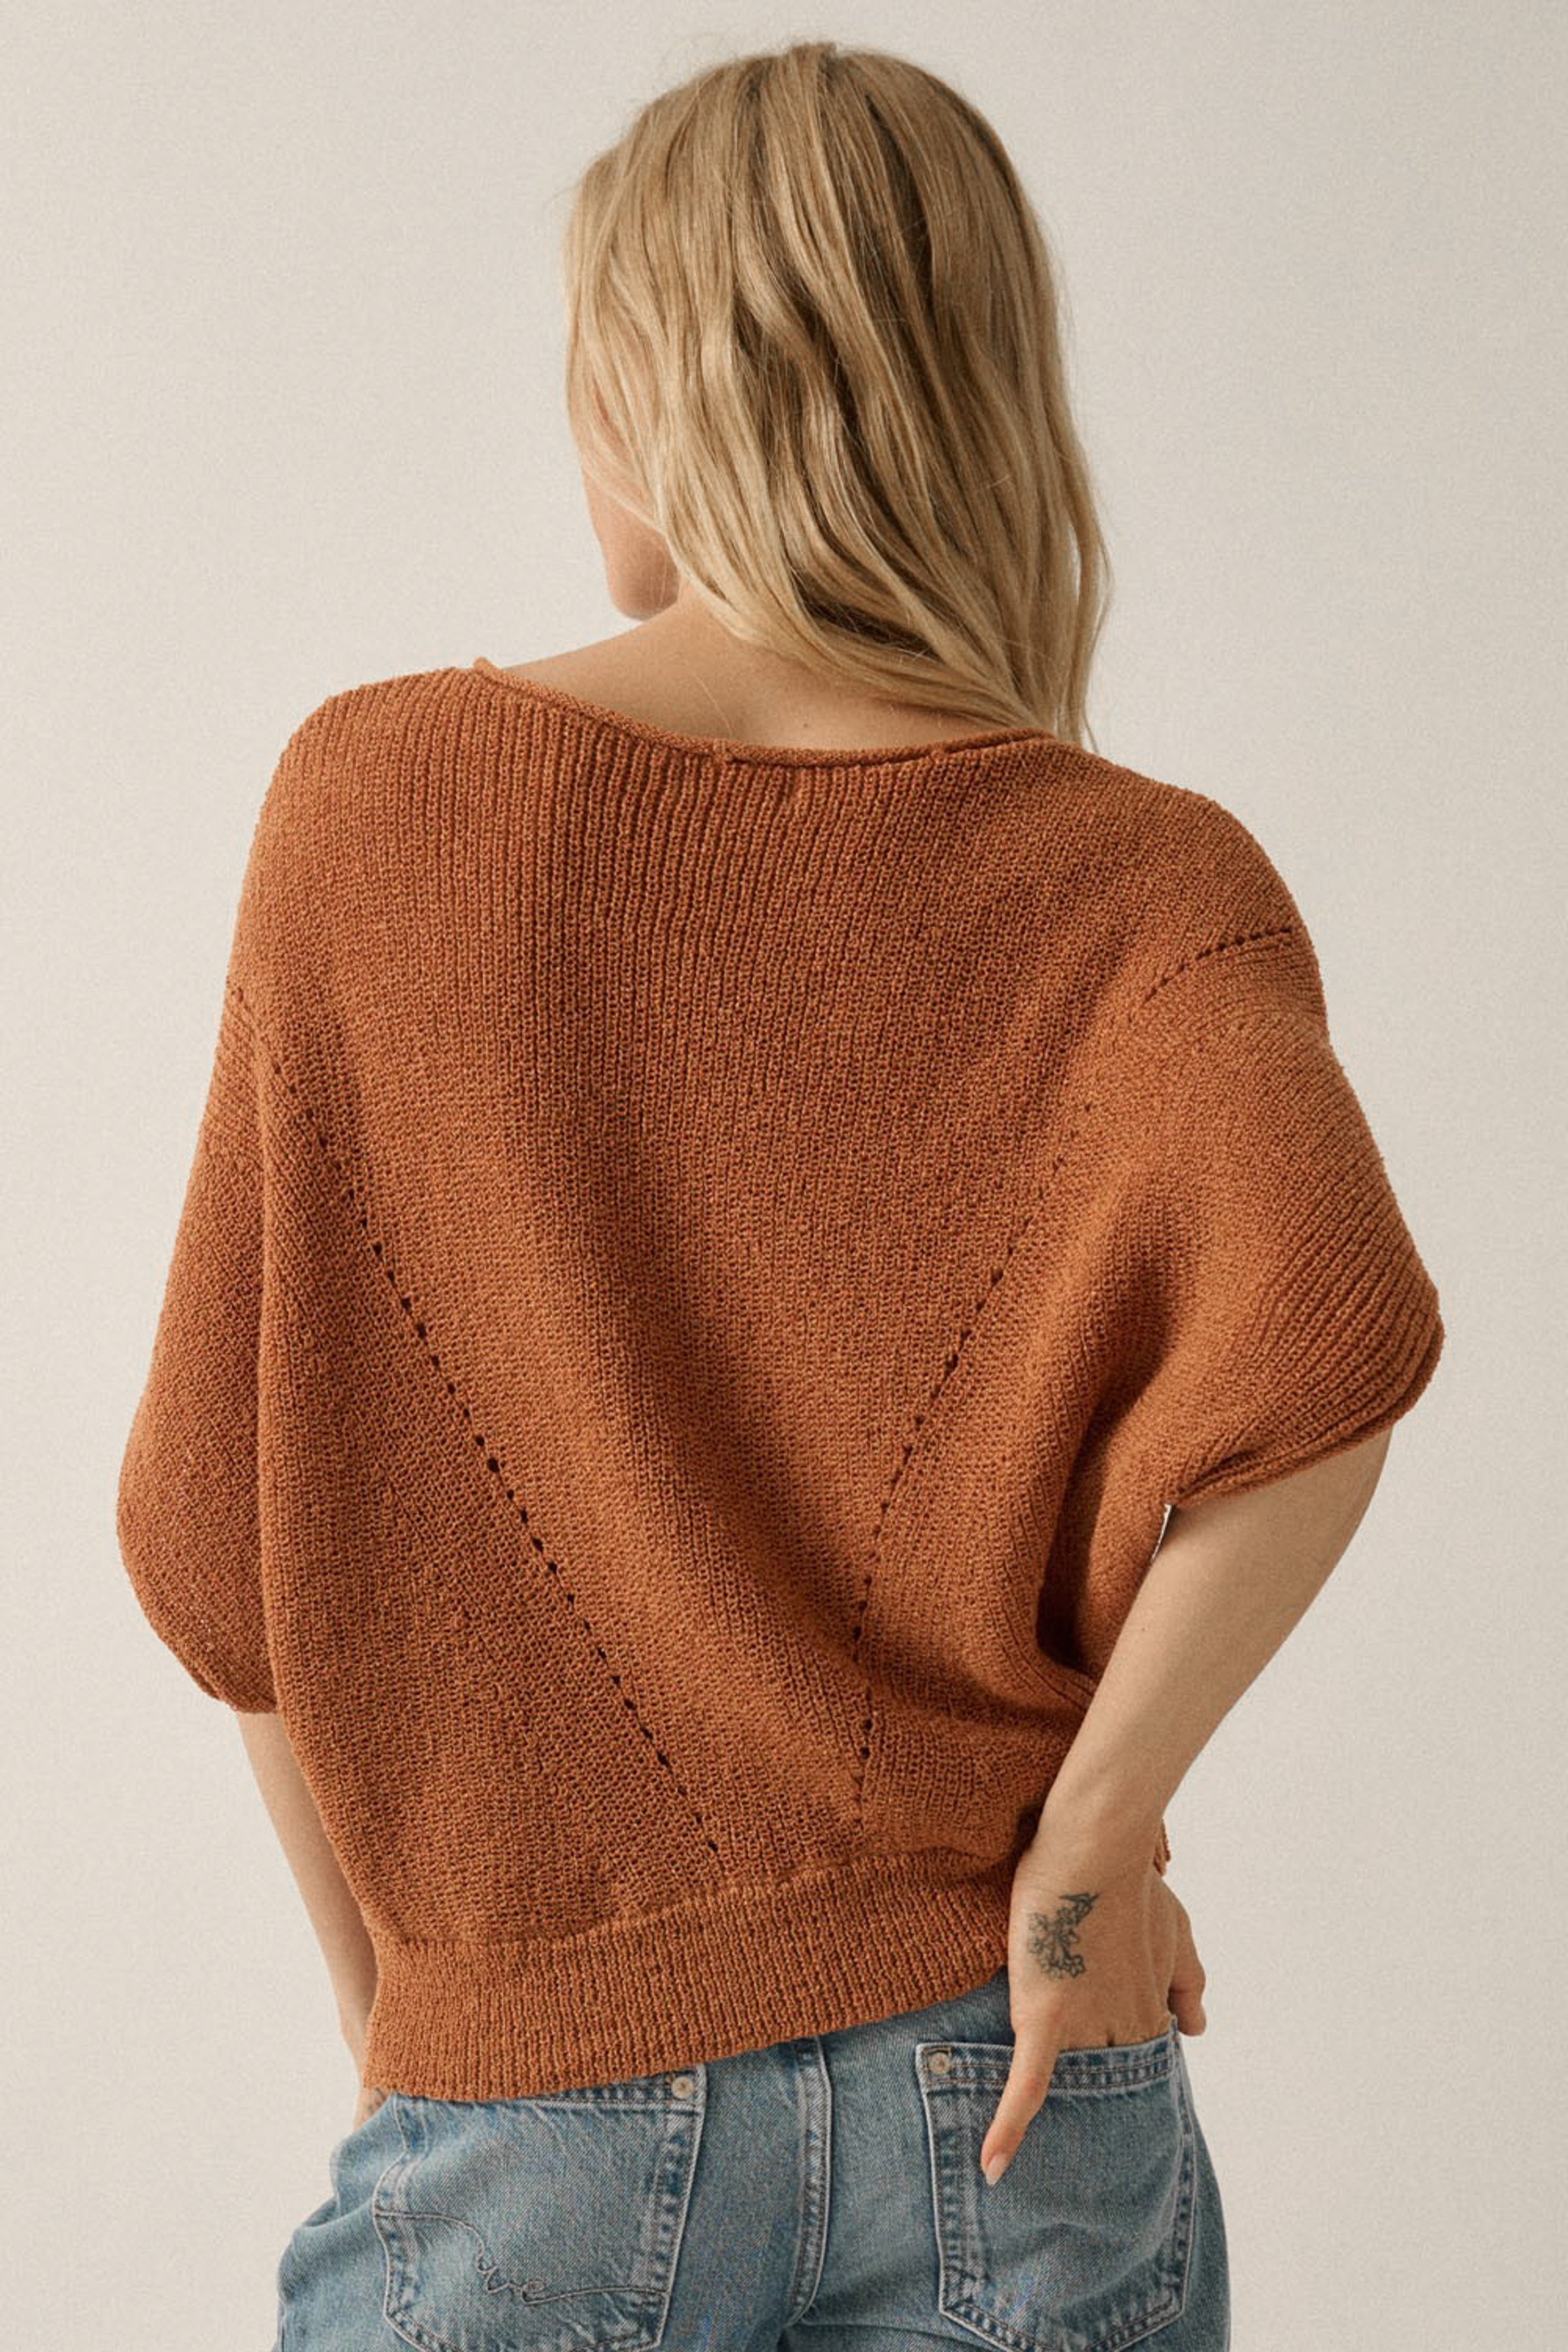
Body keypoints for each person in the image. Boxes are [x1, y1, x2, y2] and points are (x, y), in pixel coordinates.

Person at [116, 39, 1444, 2352]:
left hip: (527, 2113)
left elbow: (224, 1537)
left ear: (648, 393)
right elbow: (1324, 1369)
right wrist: (1092, 1844)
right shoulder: (1151, 886)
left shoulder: (377, 809)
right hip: (1017, 2083)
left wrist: (409, 2014)